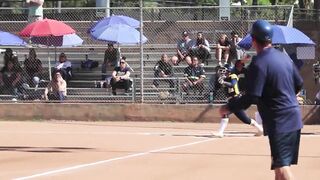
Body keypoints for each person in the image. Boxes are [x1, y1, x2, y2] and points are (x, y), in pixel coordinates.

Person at [219, 20, 304, 180]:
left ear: (254, 40)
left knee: (283, 169)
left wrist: (228, 107)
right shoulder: (285, 59)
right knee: (279, 167)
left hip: (279, 121)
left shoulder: (258, 63)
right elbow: (298, 83)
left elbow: (251, 97)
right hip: (293, 117)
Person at [213, 65, 263, 137]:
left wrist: (223, 82)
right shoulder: (224, 79)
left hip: (236, 99)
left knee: (224, 111)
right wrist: (218, 82)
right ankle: (260, 129)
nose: (223, 72)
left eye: (224, 70)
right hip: (232, 101)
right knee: (245, 120)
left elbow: (232, 85)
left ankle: (220, 132)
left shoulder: (233, 76)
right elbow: (216, 88)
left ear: (229, 71)